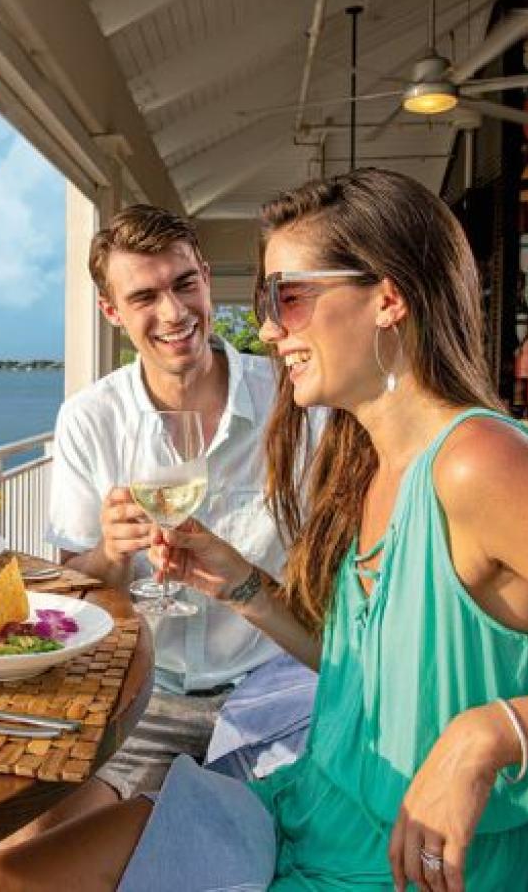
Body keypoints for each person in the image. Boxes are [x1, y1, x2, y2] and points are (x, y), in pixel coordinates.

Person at [0, 169, 528, 891]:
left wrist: (493, 732)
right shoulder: (369, 457)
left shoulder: (480, 466)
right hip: (303, 808)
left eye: (287, 297)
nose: (266, 328)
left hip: (394, 862)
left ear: (388, 297)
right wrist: (241, 583)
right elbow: (360, 673)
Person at [37, 204, 318, 825]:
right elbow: (72, 600)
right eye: (144, 296)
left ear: (207, 279)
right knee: (35, 844)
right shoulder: (91, 420)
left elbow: (335, 577)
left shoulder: (293, 402)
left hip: (274, 689)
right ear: (112, 313)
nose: (173, 313)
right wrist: (110, 554)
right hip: (146, 698)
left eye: (184, 284)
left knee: (275, 849)